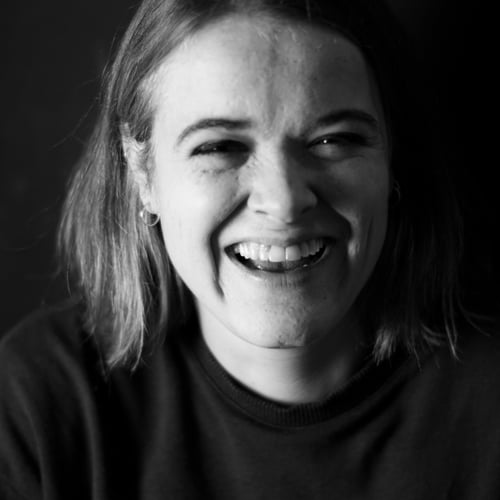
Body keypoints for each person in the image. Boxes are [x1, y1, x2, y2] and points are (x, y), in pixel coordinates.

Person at [1, 0, 498, 499]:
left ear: (392, 160)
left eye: (333, 140)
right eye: (219, 147)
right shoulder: (39, 402)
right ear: (142, 173)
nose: (284, 202)